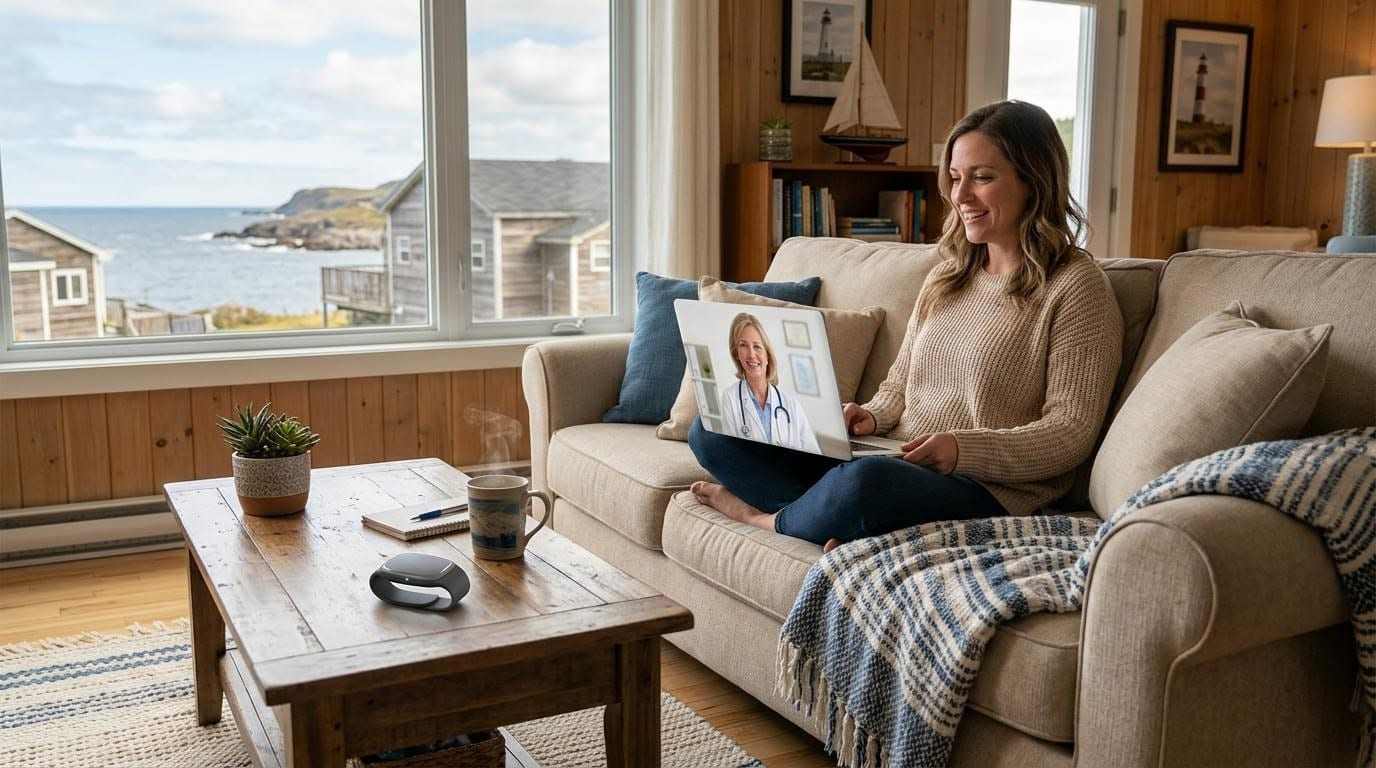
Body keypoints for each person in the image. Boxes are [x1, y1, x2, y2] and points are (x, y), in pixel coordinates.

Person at [688, 100, 1123, 552]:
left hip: (984, 488)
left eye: (981, 177)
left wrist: (962, 450)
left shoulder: (1076, 287)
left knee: (864, 483)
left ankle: (767, 518)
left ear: (1034, 181)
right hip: (895, 456)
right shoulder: (948, 276)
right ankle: (825, 516)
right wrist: (871, 415)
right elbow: (900, 383)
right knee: (714, 428)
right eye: (955, 178)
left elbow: (1070, 432)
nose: (961, 196)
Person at [716, 312, 821, 454]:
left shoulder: (791, 405)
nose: (751, 354)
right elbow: (730, 454)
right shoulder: (729, 398)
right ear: (736, 354)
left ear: (767, 355)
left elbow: (814, 456)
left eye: (757, 347)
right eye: (743, 345)